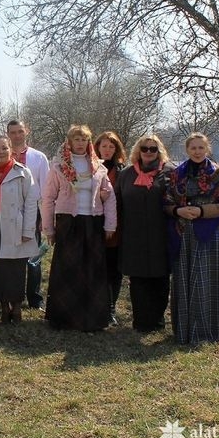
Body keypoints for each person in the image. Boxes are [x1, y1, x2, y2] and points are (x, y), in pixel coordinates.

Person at [164, 133, 219, 344]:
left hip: (208, 233)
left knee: (208, 282)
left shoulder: (218, 174)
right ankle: (186, 330)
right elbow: (166, 203)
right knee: (184, 282)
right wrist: (178, 211)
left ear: (207, 149)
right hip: (183, 234)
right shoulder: (176, 174)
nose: (197, 151)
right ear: (187, 150)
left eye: (201, 148)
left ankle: (212, 328)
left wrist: (201, 211)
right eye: (193, 148)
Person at [41, 125, 116, 332]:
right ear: (69, 142)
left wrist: (110, 224)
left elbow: (109, 197)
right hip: (68, 223)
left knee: (93, 270)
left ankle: (93, 318)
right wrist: (48, 228)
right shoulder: (58, 166)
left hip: (92, 222)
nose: (80, 143)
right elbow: (48, 199)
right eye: (77, 139)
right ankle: (63, 318)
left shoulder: (98, 167)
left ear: (89, 142)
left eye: (84, 139)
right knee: (68, 271)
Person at [115, 134, 174, 333]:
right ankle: (141, 321)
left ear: (159, 152)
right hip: (133, 234)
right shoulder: (126, 174)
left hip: (161, 234)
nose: (148, 152)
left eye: (153, 149)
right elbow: (117, 205)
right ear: (138, 151)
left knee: (160, 278)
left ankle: (157, 320)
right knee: (138, 280)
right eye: (145, 148)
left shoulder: (170, 173)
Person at [0, 135, 39, 323]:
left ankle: (16, 308)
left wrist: (27, 231)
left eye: (4, 148)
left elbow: (31, 203)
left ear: (11, 150)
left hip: (16, 226)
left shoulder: (22, 172)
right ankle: (4, 307)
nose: (0, 152)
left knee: (16, 269)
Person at [6, 120, 50, 310]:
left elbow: (47, 189)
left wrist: (46, 217)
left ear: (27, 131)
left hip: (33, 211)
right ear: (7, 134)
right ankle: (12, 295)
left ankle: (34, 298)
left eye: (20, 131)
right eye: (13, 132)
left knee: (33, 257)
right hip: (8, 212)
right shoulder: (2, 155)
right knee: (10, 256)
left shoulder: (38, 158)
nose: (17, 135)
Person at [94, 131, 127, 326]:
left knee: (113, 269)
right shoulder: (88, 168)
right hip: (92, 225)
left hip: (115, 228)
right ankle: (96, 306)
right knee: (95, 268)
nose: (107, 150)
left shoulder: (122, 171)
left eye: (111, 147)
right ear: (97, 147)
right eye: (104, 146)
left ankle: (111, 307)